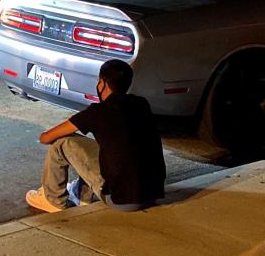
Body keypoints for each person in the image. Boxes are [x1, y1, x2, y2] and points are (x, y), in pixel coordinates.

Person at [25, 59, 166, 213]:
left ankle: (53, 200)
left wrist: (67, 134)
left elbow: (46, 137)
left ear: (102, 83)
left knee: (62, 143)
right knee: (106, 148)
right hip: (153, 194)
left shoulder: (97, 112)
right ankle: (81, 195)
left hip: (120, 199)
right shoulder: (141, 104)